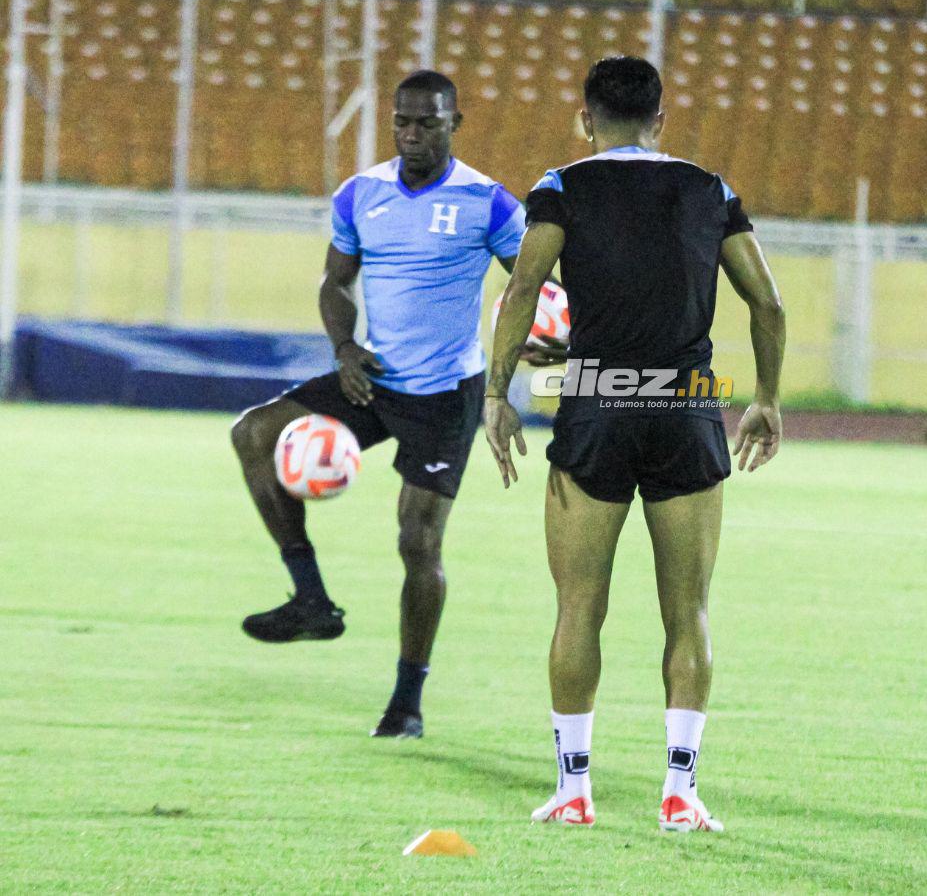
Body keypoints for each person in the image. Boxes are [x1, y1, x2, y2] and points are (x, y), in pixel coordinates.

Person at [485, 56, 786, 831]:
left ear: (586, 120)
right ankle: (681, 794)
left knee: (579, 607)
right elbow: (768, 303)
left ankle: (573, 792)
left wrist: (496, 393)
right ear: (661, 120)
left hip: (595, 405)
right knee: (688, 613)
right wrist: (766, 400)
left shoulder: (561, 186)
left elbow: (522, 288)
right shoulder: (709, 190)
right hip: (687, 409)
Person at [231, 70, 557, 739]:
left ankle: (407, 700)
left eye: (428, 123)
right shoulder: (361, 194)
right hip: (372, 376)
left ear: (454, 123)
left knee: (418, 541)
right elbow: (335, 280)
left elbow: (531, 281)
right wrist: (345, 348)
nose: (413, 134)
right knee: (255, 432)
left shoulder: (486, 202)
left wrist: (538, 341)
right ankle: (311, 598)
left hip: (445, 393)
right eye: (403, 121)